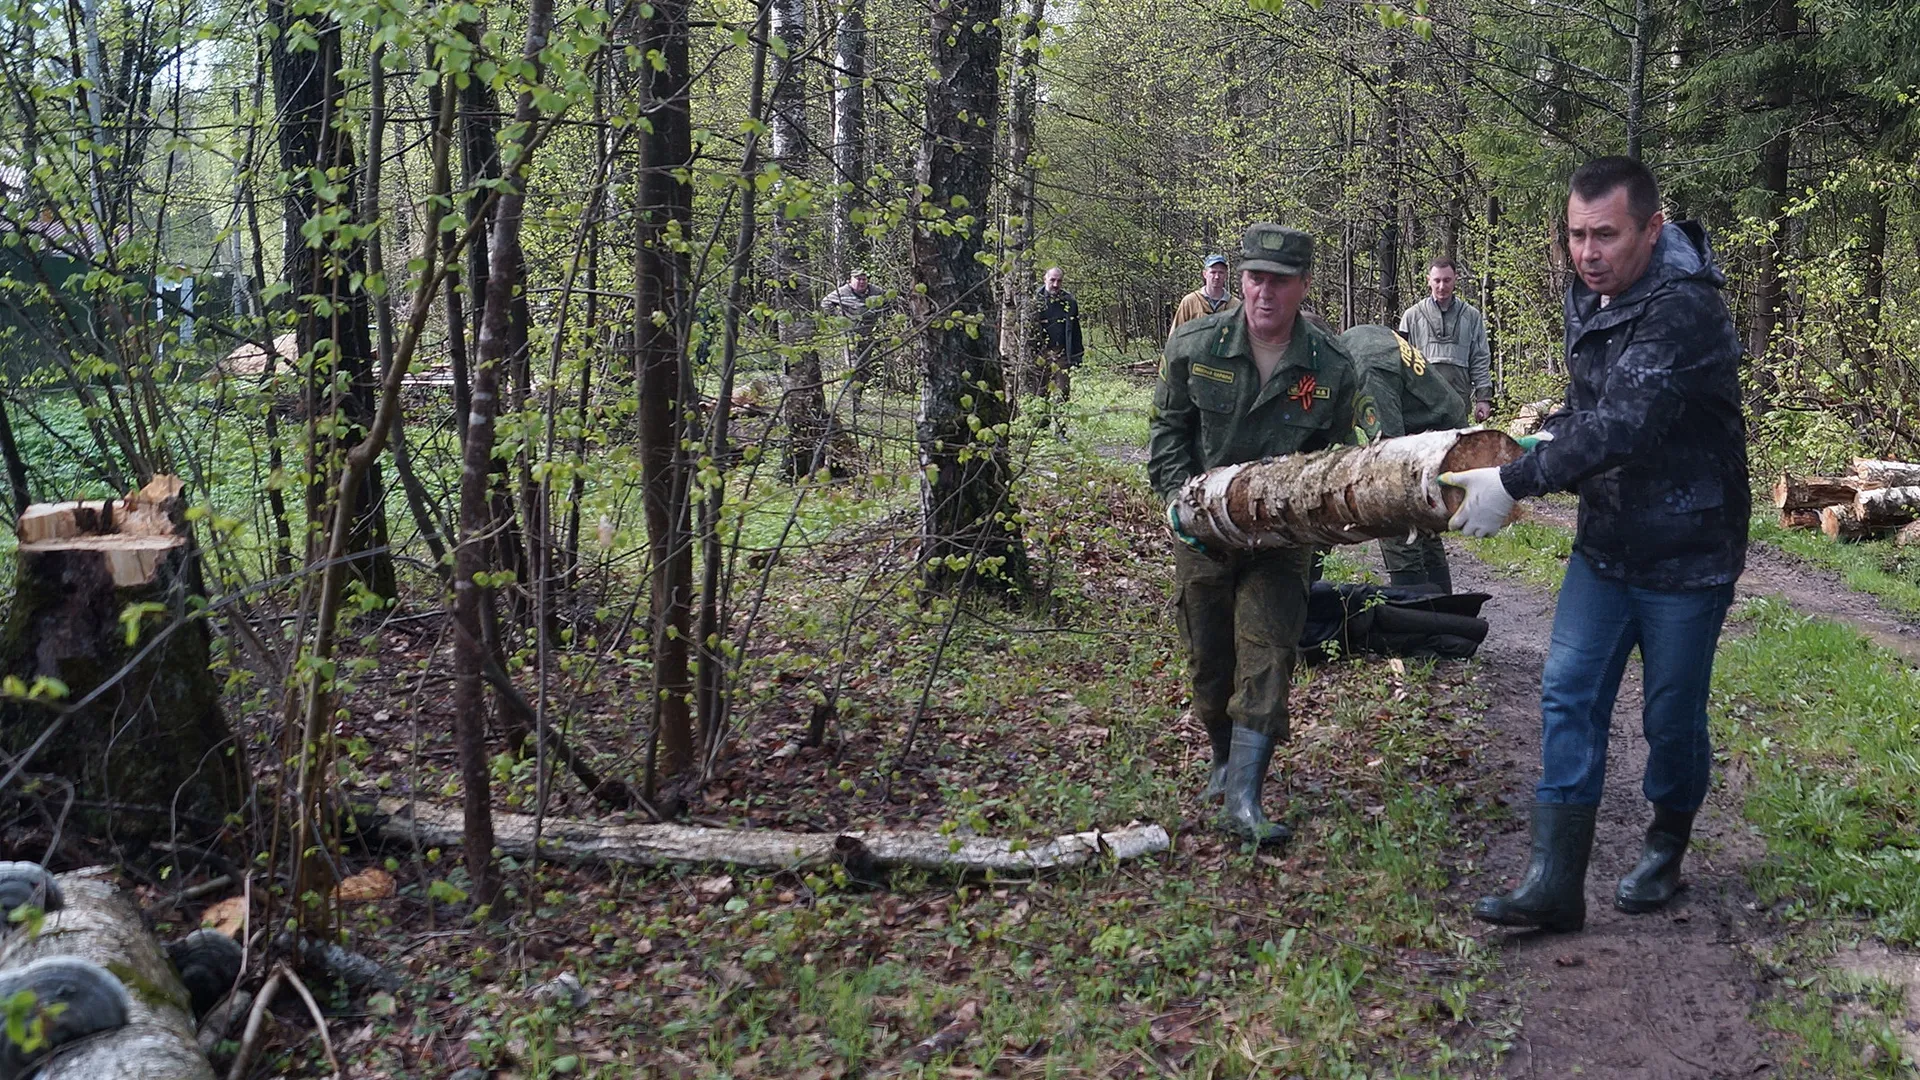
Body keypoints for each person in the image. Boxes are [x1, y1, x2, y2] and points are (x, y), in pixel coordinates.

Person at [1441, 156, 1748, 932]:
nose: (1586, 253)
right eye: (1576, 235)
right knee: (1568, 693)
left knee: (1671, 717)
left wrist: (1515, 482)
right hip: (1607, 542)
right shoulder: (1591, 290)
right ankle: (1554, 881)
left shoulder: (1685, 306)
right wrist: (1537, 443)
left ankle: (1666, 845)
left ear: (1652, 227)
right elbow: (1592, 411)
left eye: (1604, 235)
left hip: (1688, 552)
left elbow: (1626, 425)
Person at [1148, 224, 1374, 845]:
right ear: (1240, 280)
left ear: (1304, 285)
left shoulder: (1331, 365)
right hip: (1203, 531)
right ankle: (1223, 761)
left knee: (1268, 651)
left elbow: (1340, 459)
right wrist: (1178, 506)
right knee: (1209, 659)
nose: (1264, 293)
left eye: (1280, 281)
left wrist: (1319, 530)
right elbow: (1167, 432)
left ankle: (1245, 798)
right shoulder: (1195, 344)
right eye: (1254, 279)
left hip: (1281, 540)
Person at [1340, 325, 1466, 593]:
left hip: (1436, 435)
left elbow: (1390, 454)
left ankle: (1415, 605)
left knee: (1391, 511)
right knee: (1425, 520)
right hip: (1437, 421)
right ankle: (1443, 606)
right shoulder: (1356, 337)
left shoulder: (1365, 371)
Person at [1400, 258, 1494, 423]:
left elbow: (1480, 359)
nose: (1442, 286)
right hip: (1421, 406)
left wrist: (1483, 399)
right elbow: (1400, 363)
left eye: (1447, 280)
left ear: (1455, 279)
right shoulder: (1411, 317)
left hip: (1459, 405)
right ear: (1428, 280)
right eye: (1437, 280)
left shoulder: (1471, 316)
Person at [819, 268, 885, 406]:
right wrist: (839, 318)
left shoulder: (876, 291)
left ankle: (857, 399)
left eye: (864, 279)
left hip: (869, 334)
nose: (862, 282)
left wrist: (880, 316)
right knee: (854, 368)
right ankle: (854, 404)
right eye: (858, 279)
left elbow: (890, 302)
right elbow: (825, 303)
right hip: (850, 336)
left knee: (865, 369)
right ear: (850, 281)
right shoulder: (843, 292)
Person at [1030, 266, 1085, 403]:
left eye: (1059, 281)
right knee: (1040, 392)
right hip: (1040, 353)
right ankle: (1041, 417)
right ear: (1045, 279)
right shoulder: (1034, 301)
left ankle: (1060, 417)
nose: (1055, 284)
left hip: (1061, 352)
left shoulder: (1069, 301)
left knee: (1063, 391)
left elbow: (1075, 330)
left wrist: (1077, 355)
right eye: (1052, 280)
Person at [1169, 253, 1239, 333]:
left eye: (1221, 272)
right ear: (1205, 274)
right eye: (1213, 272)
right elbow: (1175, 335)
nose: (1217, 277)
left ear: (1226, 275)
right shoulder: (1190, 302)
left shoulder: (1235, 305)